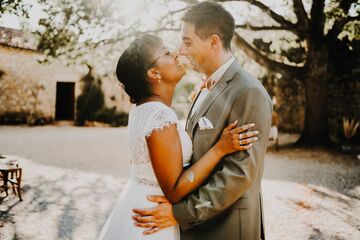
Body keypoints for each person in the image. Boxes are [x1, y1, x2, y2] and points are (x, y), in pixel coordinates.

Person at [132, 2, 272, 240]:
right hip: (201, 227)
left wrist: (181, 213)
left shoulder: (248, 92)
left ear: (214, 41)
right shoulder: (206, 86)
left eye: (188, 42)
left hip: (227, 228)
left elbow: (239, 174)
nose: (181, 51)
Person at [98, 34, 259, 240]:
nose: (175, 54)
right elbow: (174, 190)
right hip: (153, 220)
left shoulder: (143, 110)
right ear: (154, 72)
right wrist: (220, 148)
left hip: (141, 204)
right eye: (165, 53)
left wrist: (204, 97)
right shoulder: (159, 115)